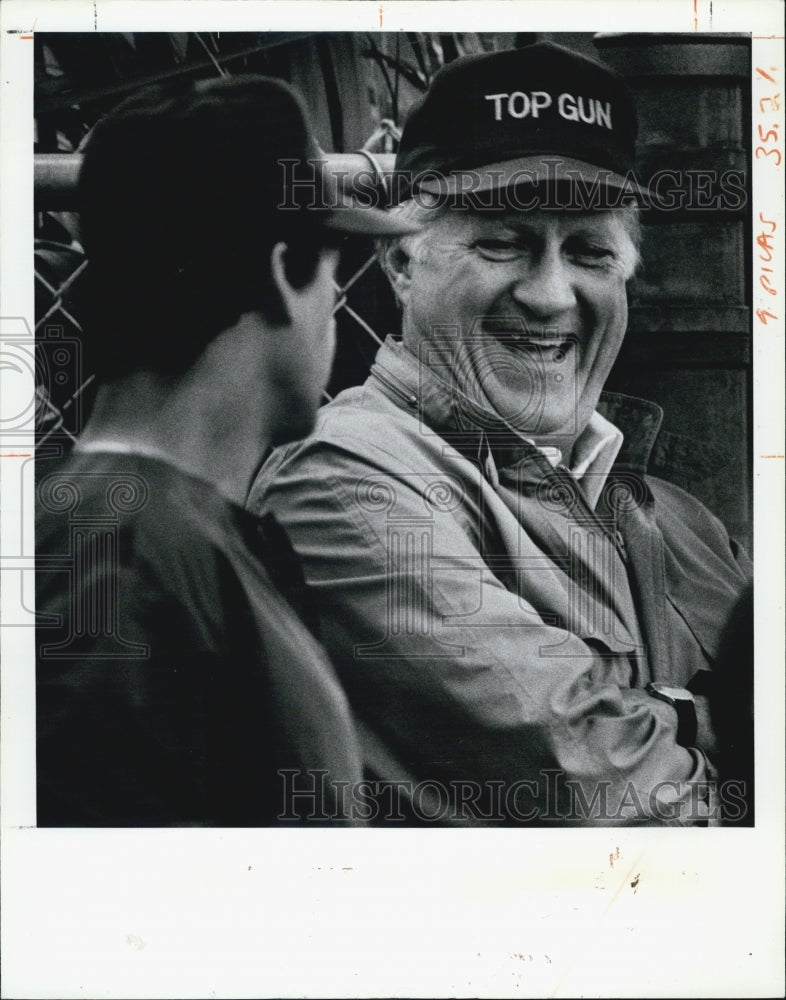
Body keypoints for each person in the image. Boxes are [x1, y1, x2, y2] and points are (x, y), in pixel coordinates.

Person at [248, 42, 753, 825]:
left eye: (588, 250)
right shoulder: (344, 481)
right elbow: (604, 803)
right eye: (502, 242)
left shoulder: (687, 522)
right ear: (401, 264)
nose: (551, 295)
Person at [35, 75, 417, 826]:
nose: (331, 317)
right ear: (283, 275)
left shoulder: (140, 536)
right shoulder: (123, 564)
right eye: (332, 273)